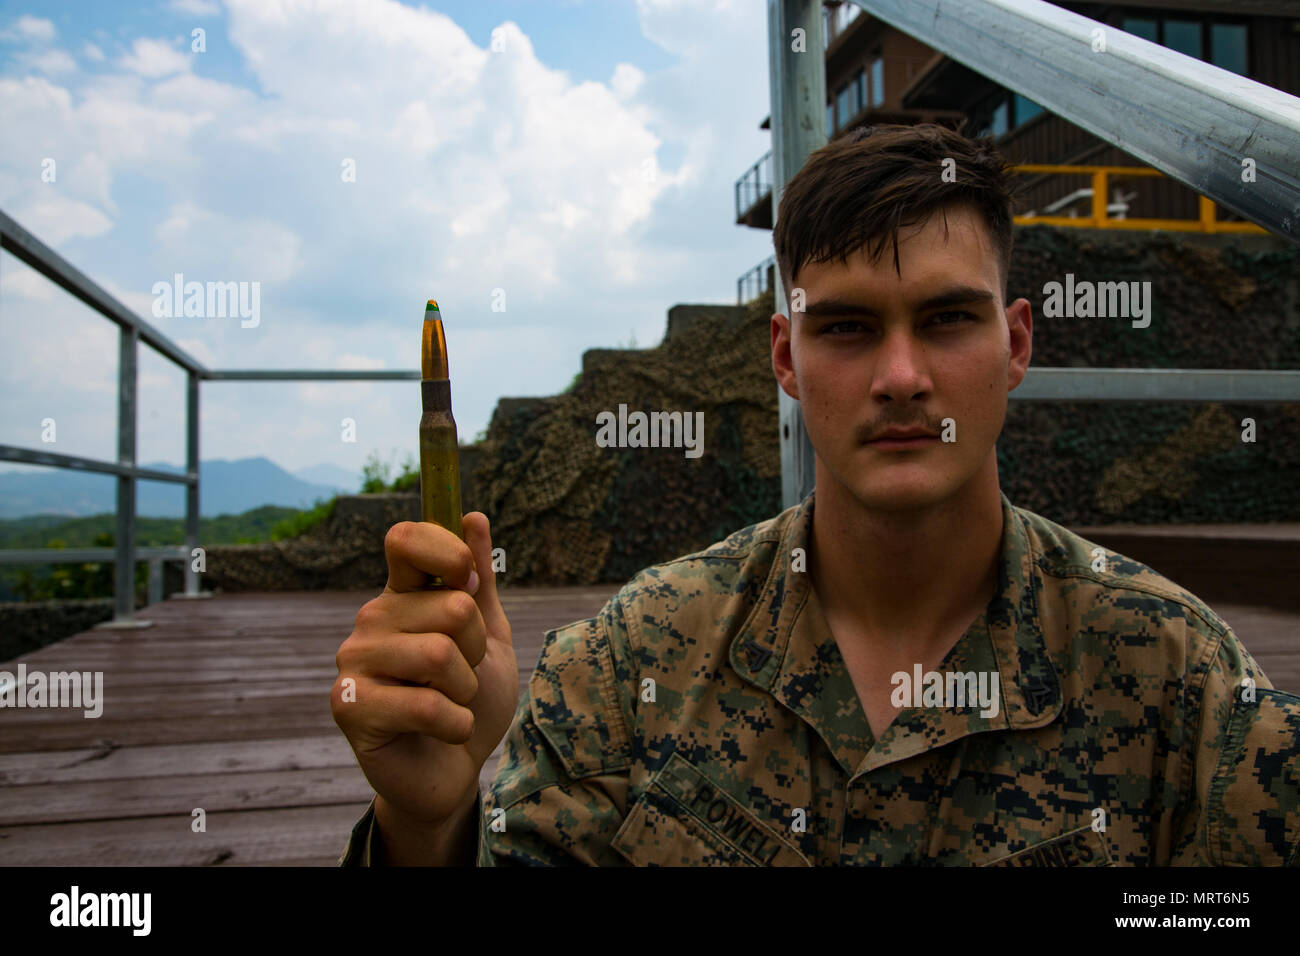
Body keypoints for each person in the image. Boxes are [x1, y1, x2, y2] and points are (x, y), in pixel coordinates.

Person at [332, 123, 1300, 866]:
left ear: (1014, 344)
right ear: (786, 358)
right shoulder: (631, 662)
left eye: (946, 318)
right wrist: (426, 823)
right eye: (846, 327)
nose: (900, 374)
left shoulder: (1181, 679)